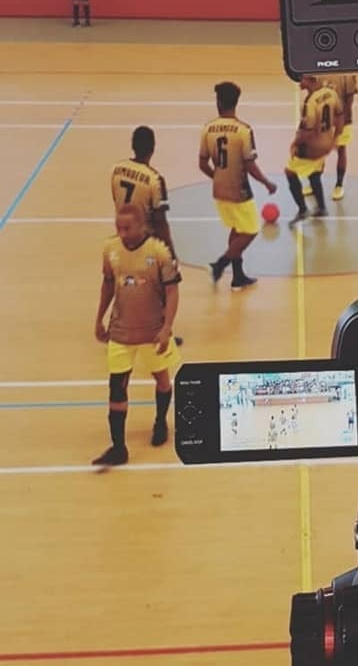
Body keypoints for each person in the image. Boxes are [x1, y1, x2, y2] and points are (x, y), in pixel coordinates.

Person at [92, 205, 181, 465]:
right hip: (121, 332)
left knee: (162, 380)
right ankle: (118, 448)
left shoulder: (158, 252)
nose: (122, 233)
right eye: (118, 227)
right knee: (116, 387)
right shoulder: (111, 249)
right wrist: (99, 318)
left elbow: (172, 291)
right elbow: (108, 284)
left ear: (142, 226)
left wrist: (166, 327)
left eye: (127, 228)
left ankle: (160, 421)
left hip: (152, 332)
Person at [198, 81, 278, 290]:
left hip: (218, 191)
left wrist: (217, 177)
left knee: (236, 229)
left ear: (218, 102)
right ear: (236, 103)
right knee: (251, 230)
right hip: (239, 191)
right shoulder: (243, 130)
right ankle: (219, 265)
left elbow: (202, 164)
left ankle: (237, 277)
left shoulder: (208, 129)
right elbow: (249, 165)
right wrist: (267, 183)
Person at [285, 74, 342, 222]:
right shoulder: (331, 93)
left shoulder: (310, 102)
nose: (299, 81)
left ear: (311, 80)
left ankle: (302, 209)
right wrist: (335, 138)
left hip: (313, 147)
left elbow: (308, 130)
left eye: (302, 78)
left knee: (290, 172)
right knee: (314, 173)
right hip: (326, 143)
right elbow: (340, 115)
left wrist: (295, 144)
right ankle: (321, 208)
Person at [110, 126, 175, 256]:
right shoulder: (155, 180)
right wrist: (170, 252)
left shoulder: (116, 170)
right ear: (153, 149)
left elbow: (116, 199)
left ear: (133, 146)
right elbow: (160, 223)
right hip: (144, 248)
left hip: (122, 243)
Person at [316, 74, 358, 201]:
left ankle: (339, 185)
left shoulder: (348, 76)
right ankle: (314, 182)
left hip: (343, 121)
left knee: (341, 150)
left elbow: (349, 102)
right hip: (324, 121)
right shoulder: (320, 72)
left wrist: (341, 123)